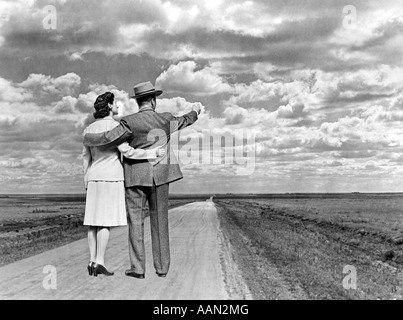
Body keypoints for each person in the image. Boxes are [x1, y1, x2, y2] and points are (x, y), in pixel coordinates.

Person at [83, 82, 201, 279]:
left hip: (135, 176)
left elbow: (108, 138)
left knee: (135, 223)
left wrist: (88, 138)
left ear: (138, 102)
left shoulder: (128, 122)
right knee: (160, 221)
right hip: (162, 176)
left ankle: (138, 269)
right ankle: (162, 269)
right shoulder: (165, 119)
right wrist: (196, 111)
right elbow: (186, 120)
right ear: (154, 100)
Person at [83, 92, 165, 277]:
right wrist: (151, 154)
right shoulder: (116, 127)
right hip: (111, 177)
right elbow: (127, 152)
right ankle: (100, 262)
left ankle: (91, 261)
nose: (119, 106)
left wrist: (86, 179)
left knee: (93, 222)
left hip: (93, 176)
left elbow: (85, 158)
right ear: (110, 106)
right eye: (116, 103)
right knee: (105, 221)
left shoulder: (88, 130)